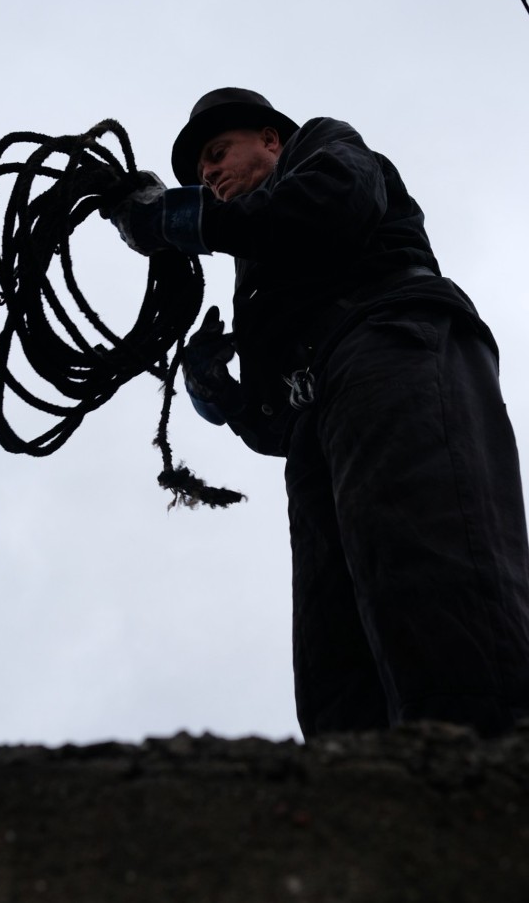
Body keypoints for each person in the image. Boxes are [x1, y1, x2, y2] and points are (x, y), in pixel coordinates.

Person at [110, 87, 529, 738]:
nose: (210, 173)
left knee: (432, 586)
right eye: (199, 172)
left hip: (395, 345)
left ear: (272, 140)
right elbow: (277, 425)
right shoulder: (255, 265)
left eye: (219, 154)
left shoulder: (325, 150)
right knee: (334, 655)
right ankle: (368, 803)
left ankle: (494, 780)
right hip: (323, 414)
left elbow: (329, 209)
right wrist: (227, 398)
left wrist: (175, 217)